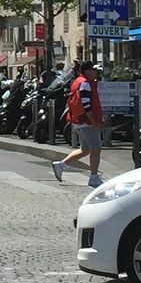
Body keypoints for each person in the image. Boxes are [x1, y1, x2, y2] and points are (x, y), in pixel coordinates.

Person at [53, 59, 105, 189]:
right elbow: (86, 104)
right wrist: (93, 120)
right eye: (94, 70)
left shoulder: (78, 82)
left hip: (79, 120)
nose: (96, 72)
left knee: (85, 149)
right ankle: (94, 177)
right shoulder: (86, 84)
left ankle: (61, 165)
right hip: (86, 121)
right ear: (87, 71)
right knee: (96, 149)